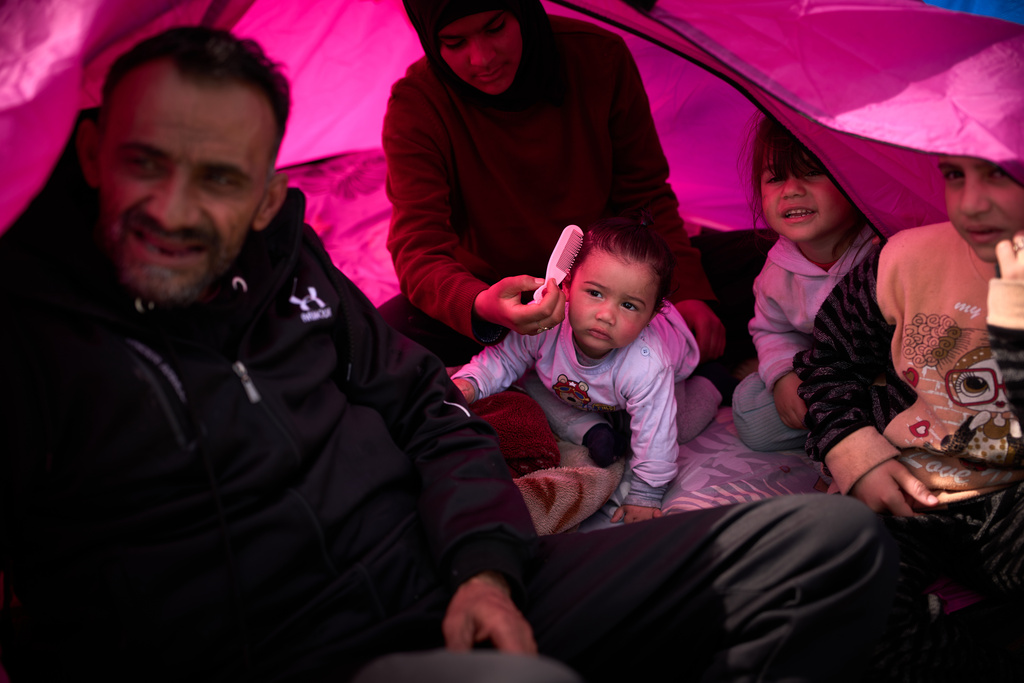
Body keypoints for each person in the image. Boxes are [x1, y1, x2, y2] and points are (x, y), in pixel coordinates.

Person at [0, 25, 899, 683]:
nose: (175, 209)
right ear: (87, 150)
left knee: (833, 545)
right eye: (146, 163)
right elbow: (423, 253)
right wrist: (479, 309)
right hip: (308, 638)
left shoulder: (294, 270)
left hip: (444, 573)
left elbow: (428, 410)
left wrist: (483, 565)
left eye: (221, 179)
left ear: (271, 197)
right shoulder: (41, 333)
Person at [380, 0, 727, 367]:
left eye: (495, 28)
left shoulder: (598, 58)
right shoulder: (417, 105)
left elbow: (645, 195)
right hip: (495, 299)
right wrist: (482, 305)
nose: (482, 59)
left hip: (612, 287)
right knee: (377, 345)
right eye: (454, 43)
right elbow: (418, 248)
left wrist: (685, 292)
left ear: (523, 9)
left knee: (769, 270)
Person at [793, 154, 1024, 681]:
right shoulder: (904, 261)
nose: (971, 201)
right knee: (840, 606)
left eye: (1002, 175)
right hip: (910, 480)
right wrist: (854, 452)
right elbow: (829, 361)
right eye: (954, 175)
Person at [452, 213, 720, 524]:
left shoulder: (648, 364)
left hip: (669, 378)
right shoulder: (548, 325)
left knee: (676, 427)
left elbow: (655, 434)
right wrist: (470, 383)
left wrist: (646, 493)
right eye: (594, 293)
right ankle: (593, 429)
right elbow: (504, 360)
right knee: (528, 381)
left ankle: (714, 383)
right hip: (582, 389)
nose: (606, 315)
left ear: (652, 316)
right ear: (566, 285)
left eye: (629, 305)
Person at [732, 116, 878, 451]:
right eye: (776, 177)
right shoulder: (775, 274)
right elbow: (774, 331)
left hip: (894, 378)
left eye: (813, 171)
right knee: (751, 411)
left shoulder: (883, 250)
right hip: (833, 384)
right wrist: (783, 376)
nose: (792, 190)